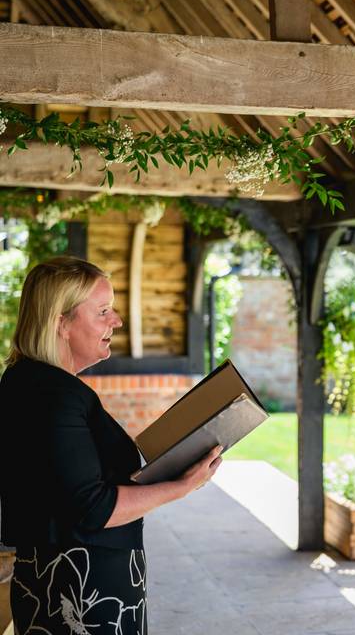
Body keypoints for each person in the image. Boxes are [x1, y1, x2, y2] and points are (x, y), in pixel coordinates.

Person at [0, 257, 222, 634]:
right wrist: (179, 487)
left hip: (65, 582)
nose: (116, 320)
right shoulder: (55, 395)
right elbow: (93, 509)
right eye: (103, 311)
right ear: (61, 323)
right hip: (82, 594)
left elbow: (64, 490)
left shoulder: (29, 382)